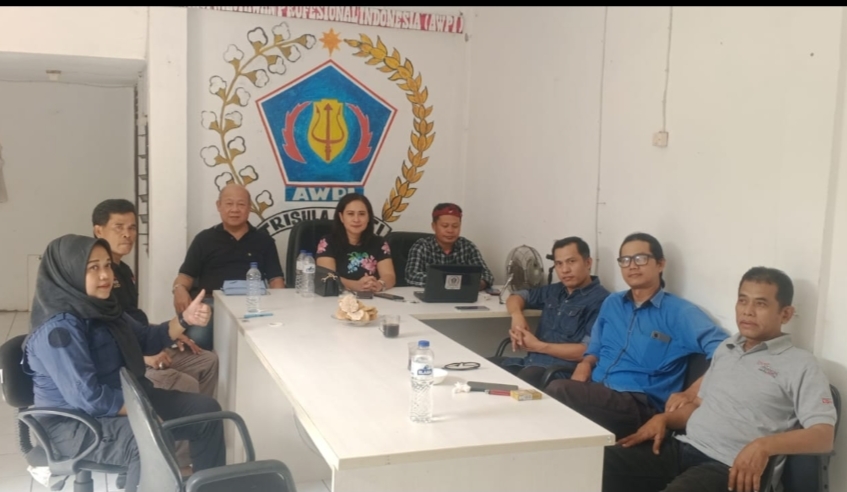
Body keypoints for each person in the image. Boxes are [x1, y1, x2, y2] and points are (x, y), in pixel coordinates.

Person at [603, 267, 837, 492]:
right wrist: (664, 419)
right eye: (743, 300)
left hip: (729, 467)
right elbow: (699, 404)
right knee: (595, 462)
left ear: (785, 314)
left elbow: (823, 436)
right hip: (683, 447)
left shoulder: (801, 364)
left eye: (761, 304)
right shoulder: (727, 348)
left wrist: (764, 445)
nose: (748, 311)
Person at [23, 235, 225, 492]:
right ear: (69, 273)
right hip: (72, 424)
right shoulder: (59, 329)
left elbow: (148, 339)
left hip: (123, 401)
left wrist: (185, 319)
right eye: (93, 267)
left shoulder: (104, 308)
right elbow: (88, 397)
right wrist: (145, 414)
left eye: (107, 265)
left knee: (206, 412)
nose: (105, 275)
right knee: (151, 438)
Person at [545, 232, 728, 439]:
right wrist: (586, 363)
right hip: (597, 389)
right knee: (534, 387)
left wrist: (691, 393)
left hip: (638, 403)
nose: (632, 266)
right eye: (625, 260)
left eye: (640, 259)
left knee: (559, 391)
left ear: (660, 264)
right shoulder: (612, 303)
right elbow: (595, 346)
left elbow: (726, 353)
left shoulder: (680, 313)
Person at [93, 199, 219, 397]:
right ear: (99, 231)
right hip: (125, 358)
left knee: (207, 360)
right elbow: (101, 336)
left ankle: (200, 413)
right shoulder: (94, 278)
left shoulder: (124, 271)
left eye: (132, 228)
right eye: (119, 227)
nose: (127, 234)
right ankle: (176, 415)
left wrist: (170, 333)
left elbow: (130, 320)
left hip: (141, 343)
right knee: (184, 383)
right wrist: (143, 357)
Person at [173, 184, 285, 350]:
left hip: (253, 305)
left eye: (241, 204)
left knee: (268, 342)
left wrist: (279, 308)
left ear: (250, 208)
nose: (234, 209)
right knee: (197, 339)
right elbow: (185, 276)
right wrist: (179, 289)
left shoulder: (264, 240)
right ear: (219, 206)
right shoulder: (204, 239)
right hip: (211, 304)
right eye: (229, 203)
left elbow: (276, 280)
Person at [492, 237, 609, 387]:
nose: (565, 270)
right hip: (530, 362)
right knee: (483, 367)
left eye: (571, 261)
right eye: (559, 264)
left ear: (588, 263)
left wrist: (538, 346)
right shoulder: (555, 290)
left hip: (560, 372)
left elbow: (586, 351)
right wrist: (517, 316)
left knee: (523, 381)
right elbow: (516, 296)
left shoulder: (602, 300)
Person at [316, 193, 396, 292]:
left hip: (373, 298)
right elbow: (328, 277)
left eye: (362, 214)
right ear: (341, 217)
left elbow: (389, 276)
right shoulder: (327, 242)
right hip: (337, 298)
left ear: (368, 217)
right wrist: (356, 285)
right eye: (350, 214)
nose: (356, 219)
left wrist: (378, 284)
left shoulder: (379, 243)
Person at [404, 203, 495, 290]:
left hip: (461, 296)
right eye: (445, 226)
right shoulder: (422, 246)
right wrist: (452, 281)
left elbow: (487, 275)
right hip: (431, 296)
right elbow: (411, 275)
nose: (450, 230)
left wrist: (477, 284)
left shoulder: (468, 247)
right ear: (434, 226)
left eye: (455, 226)